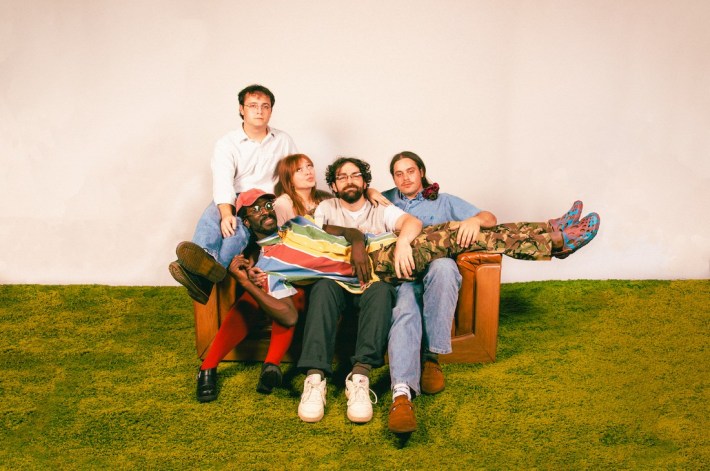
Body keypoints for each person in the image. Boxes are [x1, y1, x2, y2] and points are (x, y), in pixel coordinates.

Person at [296, 157, 424, 425]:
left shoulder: (380, 207)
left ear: (365, 182)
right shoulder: (327, 207)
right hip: (336, 283)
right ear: (333, 185)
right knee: (322, 287)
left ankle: (360, 378)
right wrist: (355, 237)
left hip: (370, 285)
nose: (349, 181)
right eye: (342, 177)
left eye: (355, 175)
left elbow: (412, 222)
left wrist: (403, 243)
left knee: (382, 290)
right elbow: (314, 234)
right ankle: (315, 378)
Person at [169, 84, 297, 305]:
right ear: (241, 109)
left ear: (271, 111)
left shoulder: (283, 140)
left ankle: (200, 276)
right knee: (216, 215)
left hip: (265, 201)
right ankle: (207, 262)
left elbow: (294, 174)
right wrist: (226, 212)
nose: (259, 111)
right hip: (237, 196)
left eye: (265, 106)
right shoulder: (227, 143)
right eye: (253, 105)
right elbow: (223, 181)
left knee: (236, 226)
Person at [194, 189, 305, 403]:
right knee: (253, 298)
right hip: (269, 289)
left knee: (290, 293)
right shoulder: (250, 247)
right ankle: (207, 368)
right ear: (246, 221)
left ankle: (271, 365)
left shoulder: (292, 230)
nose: (264, 211)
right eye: (256, 209)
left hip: (302, 288)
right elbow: (251, 259)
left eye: (267, 206)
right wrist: (244, 272)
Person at [272, 154, 333, 226]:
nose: (308, 172)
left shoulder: (325, 198)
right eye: (299, 170)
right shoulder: (282, 204)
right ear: (289, 180)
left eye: (309, 166)